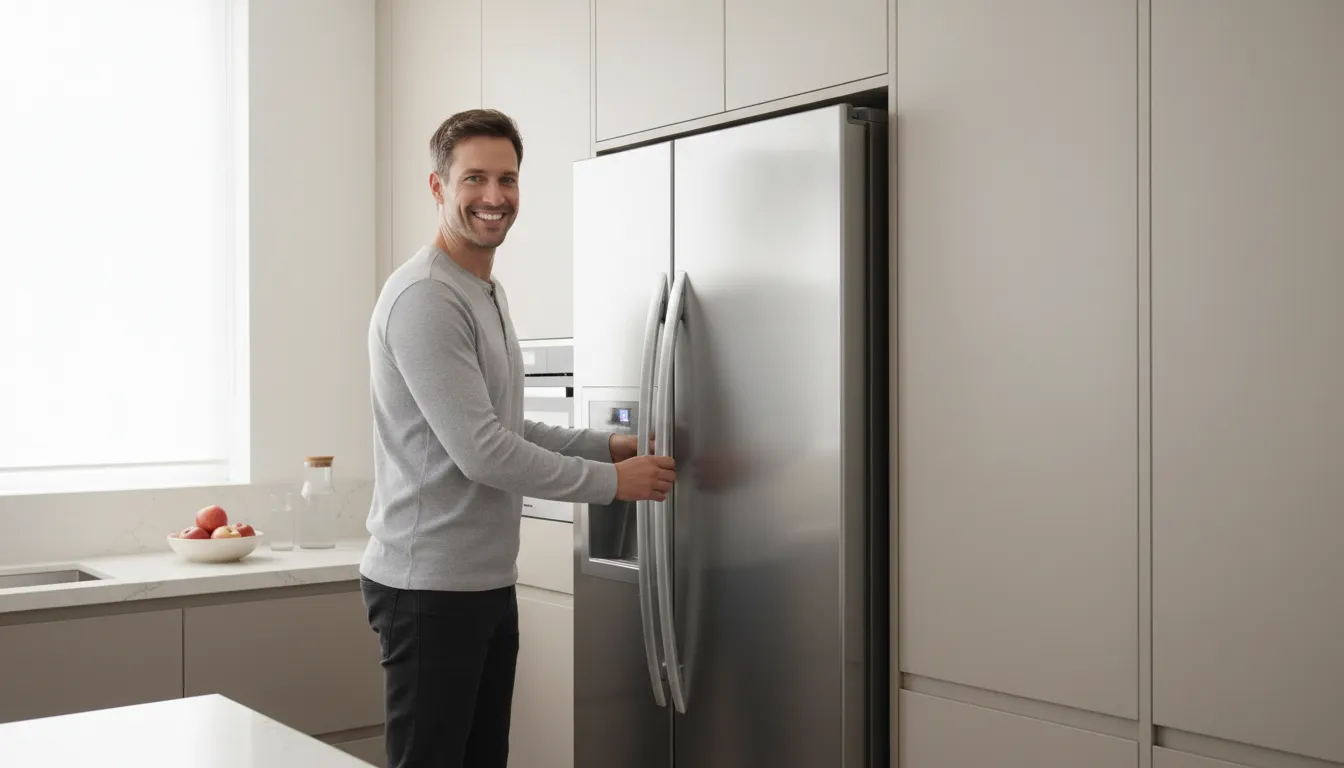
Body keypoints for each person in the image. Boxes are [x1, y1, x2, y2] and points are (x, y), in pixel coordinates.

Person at [358, 108, 676, 768]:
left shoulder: (483, 291)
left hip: (481, 585)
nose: (494, 197)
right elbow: (483, 453)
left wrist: (600, 446)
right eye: (474, 178)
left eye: (507, 178)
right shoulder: (425, 298)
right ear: (438, 187)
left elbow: (500, 426)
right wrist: (613, 485)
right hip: (428, 591)